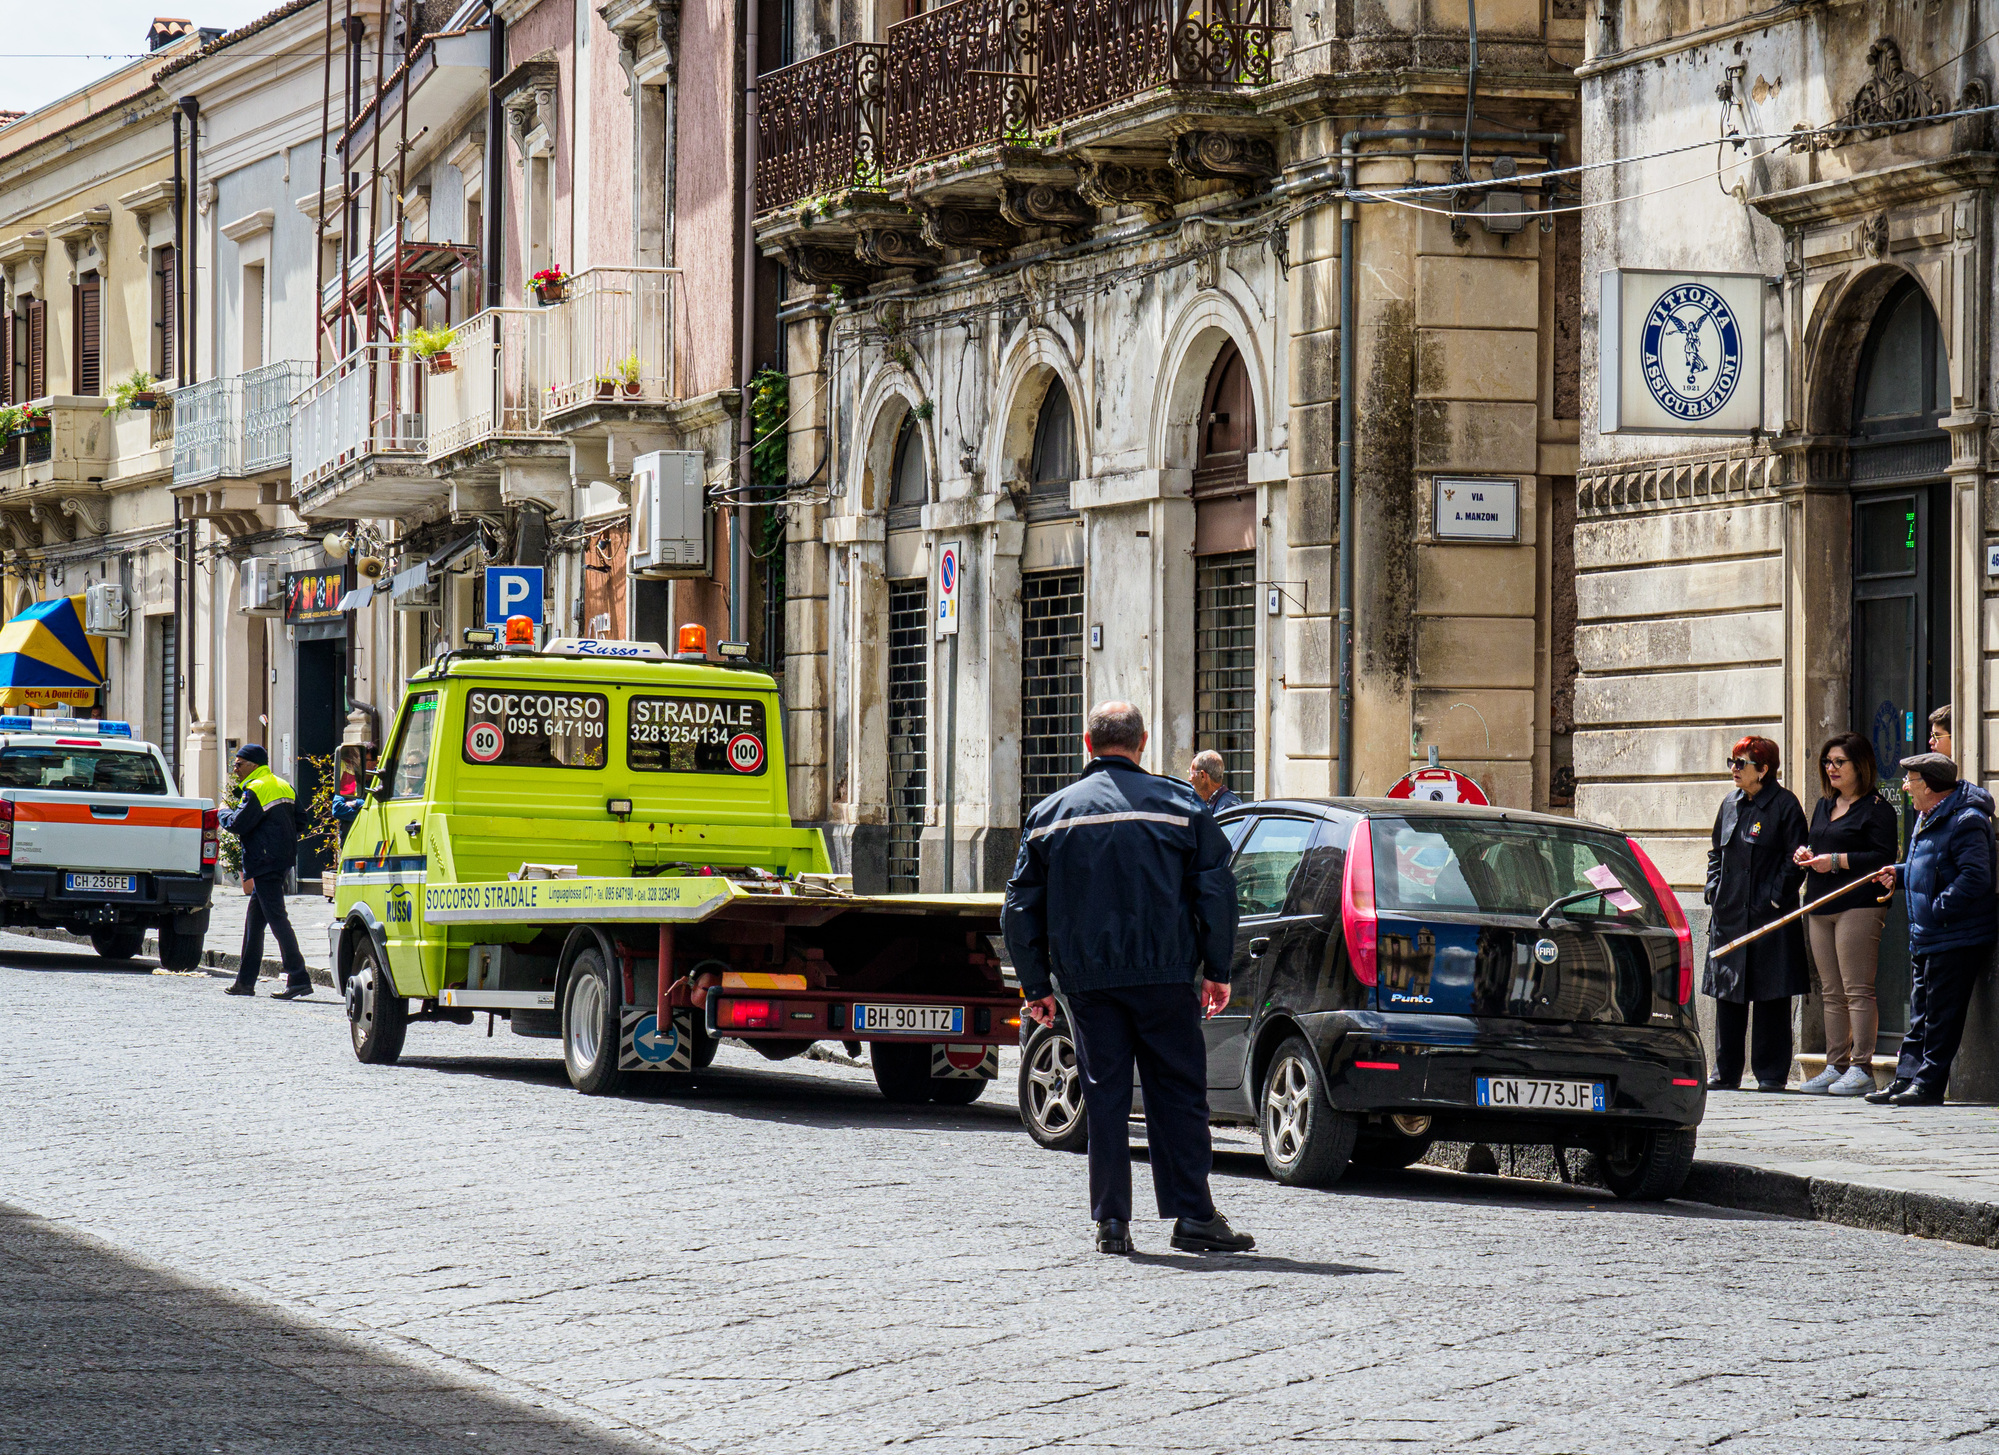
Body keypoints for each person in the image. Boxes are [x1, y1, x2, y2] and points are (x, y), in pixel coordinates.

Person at [1003, 700, 1252, 1256]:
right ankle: (1193, 1217)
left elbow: (1019, 908)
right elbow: (1216, 890)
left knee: (1105, 1095)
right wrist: (1216, 969)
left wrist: (1037, 985)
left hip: (1089, 982)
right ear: (1143, 745)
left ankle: (1111, 1222)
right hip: (1164, 977)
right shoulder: (1182, 805)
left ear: (1086, 746)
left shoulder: (1051, 814)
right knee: (1178, 1096)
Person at [1867, 753, 1997, 1106]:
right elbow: (1929, 866)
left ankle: (1928, 1085)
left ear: (1930, 785)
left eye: (1911, 781)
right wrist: (1901, 872)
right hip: (1926, 934)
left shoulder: (1966, 819)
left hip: (1955, 935)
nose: (1905, 787)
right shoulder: (1928, 816)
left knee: (1941, 1016)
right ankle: (1905, 1078)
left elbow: (1975, 877)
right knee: (1921, 1013)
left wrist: (1939, 909)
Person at [1791, 733, 1900, 1096]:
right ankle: (1835, 1064)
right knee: (1830, 991)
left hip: (1860, 904)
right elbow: (1817, 843)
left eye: (1840, 762)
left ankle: (1861, 1066)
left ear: (1860, 765)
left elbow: (1883, 857)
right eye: (1827, 762)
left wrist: (1836, 861)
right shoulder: (1824, 805)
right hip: (1820, 903)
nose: (1831, 769)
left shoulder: (1878, 809)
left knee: (1857, 989)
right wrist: (1806, 855)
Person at [1704, 734, 1810, 1091]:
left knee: (1771, 993)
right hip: (1730, 913)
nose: (1733, 770)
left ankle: (1770, 1074)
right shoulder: (1730, 803)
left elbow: (1795, 860)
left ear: (1763, 770)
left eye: (1741, 764)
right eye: (1731, 762)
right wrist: (1712, 889)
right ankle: (1726, 1071)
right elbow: (1716, 853)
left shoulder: (1785, 805)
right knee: (1728, 994)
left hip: (1769, 916)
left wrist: (1776, 899)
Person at [220, 745, 312, 1000]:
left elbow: (238, 824)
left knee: (277, 919)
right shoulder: (283, 785)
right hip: (281, 859)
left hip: (264, 861)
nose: (235, 769)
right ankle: (245, 982)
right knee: (254, 923)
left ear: (252, 764)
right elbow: (302, 821)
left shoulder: (256, 788)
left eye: (238, 764)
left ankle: (299, 977)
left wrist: (223, 812)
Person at [1188, 750, 1242, 815]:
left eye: (1191, 773)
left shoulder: (1226, 807)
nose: (1189, 779)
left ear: (1202, 775)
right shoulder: (1212, 803)